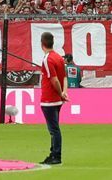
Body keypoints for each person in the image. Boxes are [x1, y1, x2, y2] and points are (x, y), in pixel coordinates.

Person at [38, 31, 67, 166]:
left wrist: (61, 93)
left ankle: (56, 155)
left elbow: (54, 80)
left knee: (53, 129)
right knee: (54, 128)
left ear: (42, 44)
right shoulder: (59, 58)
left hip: (49, 98)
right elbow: (64, 77)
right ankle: (53, 153)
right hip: (57, 99)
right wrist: (64, 92)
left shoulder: (47, 59)